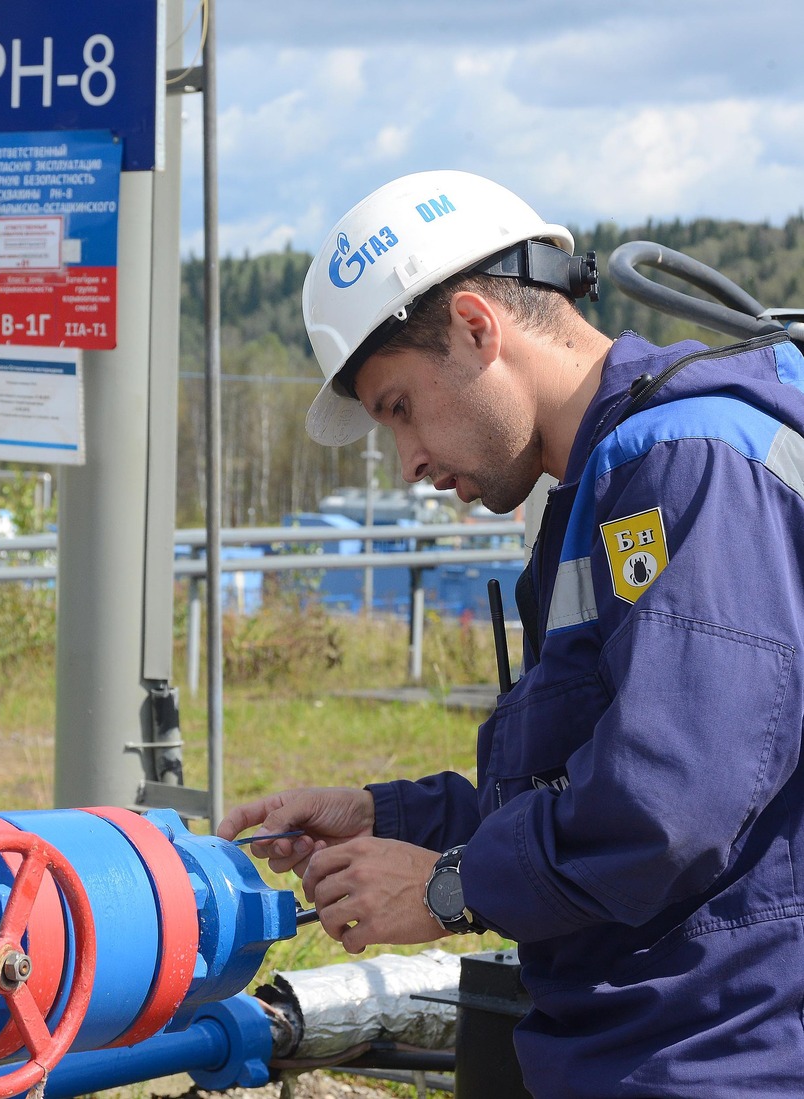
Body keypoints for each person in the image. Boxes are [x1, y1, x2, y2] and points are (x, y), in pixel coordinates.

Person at [217, 169, 804, 1097]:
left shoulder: (685, 467)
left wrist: (447, 888)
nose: (405, 460)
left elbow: (667, 806)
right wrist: (389, 818)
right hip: (637, 1045)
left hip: (721, 1053)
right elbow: (580, 788)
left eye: (399, 408)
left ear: (477, 327)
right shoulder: (600, 494)